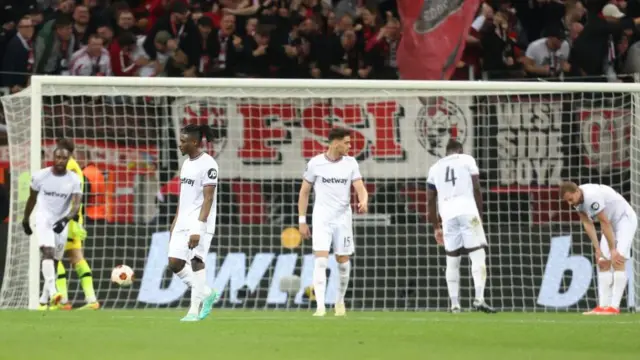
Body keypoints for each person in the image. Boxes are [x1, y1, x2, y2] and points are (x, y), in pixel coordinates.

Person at [298, 127, 368, 317]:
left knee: (343, 262)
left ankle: (339, 300)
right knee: (320, 260)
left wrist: (364, 200)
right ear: (335, 143)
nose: (349, 145)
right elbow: (304, 192)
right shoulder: (315, 163)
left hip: (343, 218)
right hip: (321, 217)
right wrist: (302, 220)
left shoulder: (351, 163)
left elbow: (360, 187)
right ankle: (320, 307)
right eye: (346, 142)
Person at [426, 140, 496, 314]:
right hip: (468, 212)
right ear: (460, 150)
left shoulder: (435, 168)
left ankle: (455, 304)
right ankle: (479, 298)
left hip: (447, 216)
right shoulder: (467, 160)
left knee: (452, 258)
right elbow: (477, 188)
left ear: (446, 152)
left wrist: (436, 227)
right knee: (478, 254)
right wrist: (480, 215)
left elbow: (429, 200)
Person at [560, 181, 637, 315]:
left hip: (624, 220)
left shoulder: (591, 197)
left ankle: (614, 307)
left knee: (617, 259)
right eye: (567, 201)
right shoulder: (577, 201)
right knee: (602, 262)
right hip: (610, 223)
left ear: (577, 192)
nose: (570, 204)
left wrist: (613, 249)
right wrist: (597, 249)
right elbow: (587, 223)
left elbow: (603, 221)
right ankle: (602, 306)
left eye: (571, 199)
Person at [168, 124, 220, 322]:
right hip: (183, 219)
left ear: (195, 142)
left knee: (196, 260)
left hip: (200, 221)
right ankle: (207, 293)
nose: (179, 145)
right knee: (174, 263)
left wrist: (198, 228)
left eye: (183, 141)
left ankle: (194, 310)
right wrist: (175, 222)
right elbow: (184, 197)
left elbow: (208, 199)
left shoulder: (209, 164)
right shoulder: (187, 164)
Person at [22, 147, 82, 310]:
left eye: (64, 158)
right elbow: (31, 199)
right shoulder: (40, 176)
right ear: (53, 157)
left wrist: (65, 220)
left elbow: (76, 206)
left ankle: (43, 299)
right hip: (43, 219)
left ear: (69, 158)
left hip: (61, 222)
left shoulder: (74, 180)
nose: (61, 160)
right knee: (47, 252)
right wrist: (26, 219)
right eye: (58, 157)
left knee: (55, 260)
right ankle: (54, 291)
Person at [54, 138, 98, 310]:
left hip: (66, 220)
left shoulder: (69, 167)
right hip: (73, 220)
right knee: (75, 257)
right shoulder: (75, 167)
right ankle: (91, 299)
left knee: (54, 257)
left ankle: (63, 300)